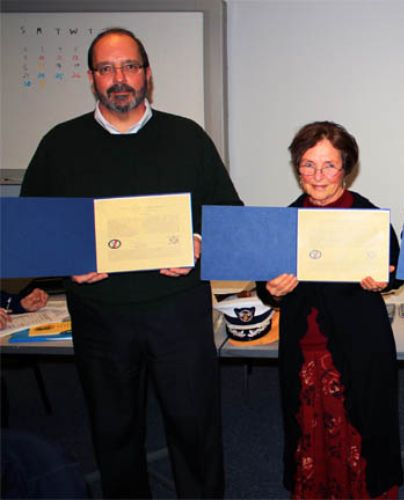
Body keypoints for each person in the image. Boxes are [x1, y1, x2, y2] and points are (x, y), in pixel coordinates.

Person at [20, 27, 242, 498]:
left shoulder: (187, 136)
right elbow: (32, 226)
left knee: (195, 428)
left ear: (147, 74)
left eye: (129, 66)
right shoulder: (60, 143)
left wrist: (198, 242)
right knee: (114, 433)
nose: (119, 78)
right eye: (107, 68)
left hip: (178, 311)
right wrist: (67, 260)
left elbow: (227, 214)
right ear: (91, 78)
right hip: (101, 314)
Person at [256, 121, 404, 498]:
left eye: (329, 165)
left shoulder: (368, 216)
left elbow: (396, 269)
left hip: (361, 351)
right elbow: (264, 281)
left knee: (364, 439)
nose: (318, 176)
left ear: (346, 168)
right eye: (308, 165)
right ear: (297, 168)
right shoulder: (285, 219)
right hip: (303, 354)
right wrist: (272, 289)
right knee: (307, 440)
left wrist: (383, 279)